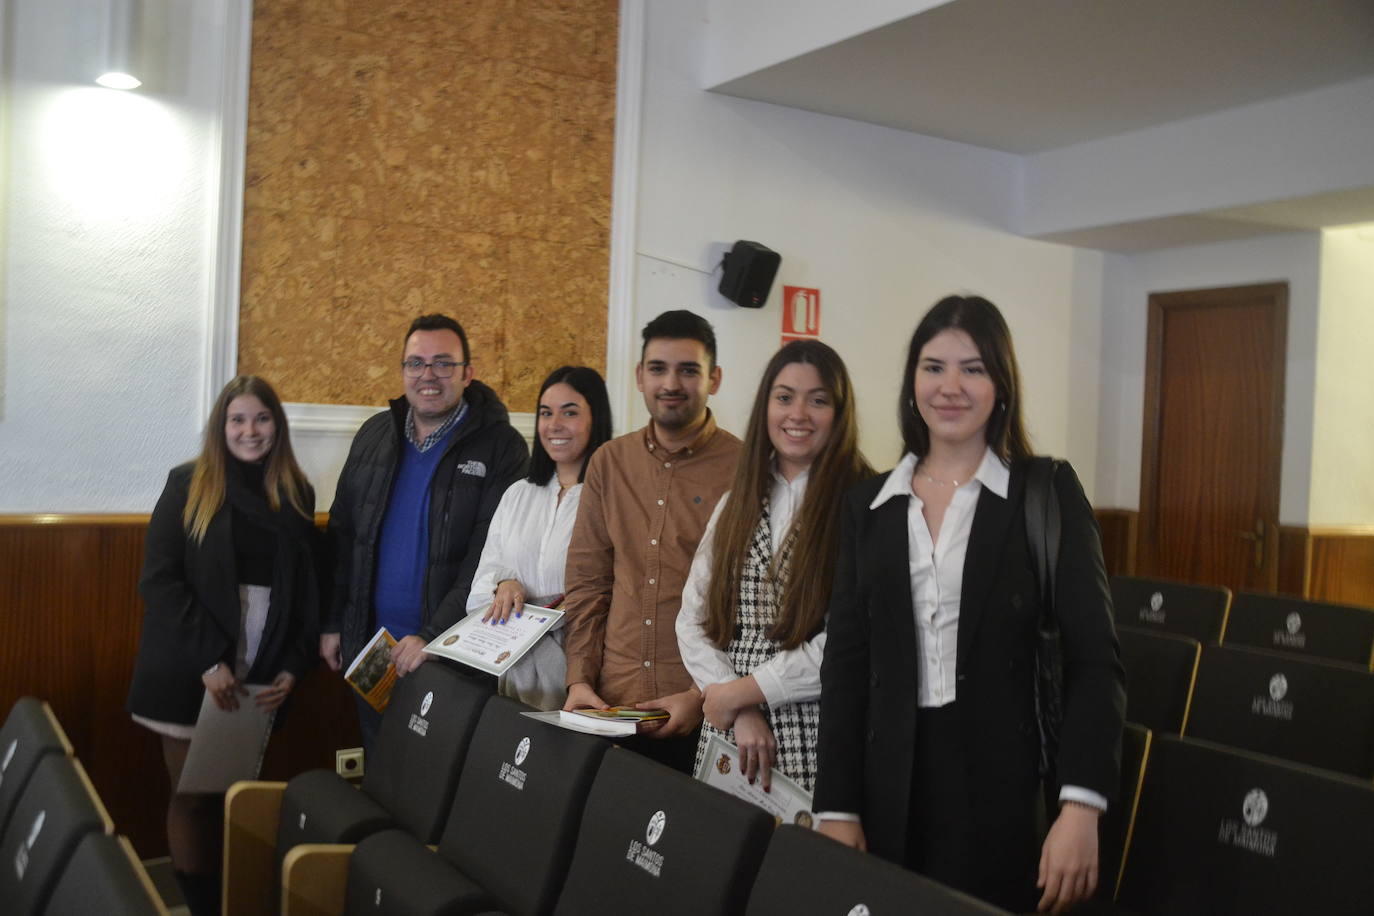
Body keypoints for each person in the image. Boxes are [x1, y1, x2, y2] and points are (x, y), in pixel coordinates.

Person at [814, 295, 1125, 914]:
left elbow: (1096, 663)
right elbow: (846, 668)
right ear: (911, 384)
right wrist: (836, 806)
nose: (950, 386)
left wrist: (1080, 806)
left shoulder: (1045, 493)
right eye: (933, 367)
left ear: (1001, 386)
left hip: (1004, 789)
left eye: (973, 368)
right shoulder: (868, 506)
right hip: (887, 789)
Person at [127, 375, 322, 915]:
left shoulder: (296, 493)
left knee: (235, 799)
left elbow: (308, 593)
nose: (250, 430)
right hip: (192, 664)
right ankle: (200, 907)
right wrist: (209, 660)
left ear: (277, 427)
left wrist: (292, 667)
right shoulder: (188, 483)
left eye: (262, 419)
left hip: (261, 666)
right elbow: (159, 580)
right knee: (192, 796)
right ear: (221, 426)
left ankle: (231, 900)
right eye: (238, 419)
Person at [323, 314, 529, 749]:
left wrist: (433, 637)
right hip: (372, 653)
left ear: (468, 373)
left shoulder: (503, 447)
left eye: (443, 363)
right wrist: (332, 624)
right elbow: (342, 536)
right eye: (416, 363)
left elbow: (487, 558)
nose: (428, 376)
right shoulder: (373, 436)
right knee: (381, 776)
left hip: (450, 658)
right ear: (402, 370)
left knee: (435, 791)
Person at [676, 340, 873, 791]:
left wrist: (746, 692)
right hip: (730, 734)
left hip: (821, 732)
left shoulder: (865, 503)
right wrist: (737, 706)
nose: (798, 414)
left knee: (806, 861)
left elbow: (856, 636)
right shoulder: (737, 501)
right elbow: (692, 618)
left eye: (818, 400)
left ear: (839, 413)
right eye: (784, 397)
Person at [562, 309, 742, 773]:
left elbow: (748, 602)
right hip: (609, 704)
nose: (671, 383)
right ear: (640, 376)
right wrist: (578, 679)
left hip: (704, 713)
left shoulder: (745, 468)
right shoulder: (608, 463)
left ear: (714, 378)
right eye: (658, 369)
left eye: (689, 370)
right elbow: (588, 581)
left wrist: (700, 695)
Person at [465, 366, 613, 710]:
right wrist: (503, 586)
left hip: (586, 673)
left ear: (597, 419)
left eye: (570, 413)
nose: (554, 425)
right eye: (546, 413)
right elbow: (476, 594)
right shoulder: (518, 494)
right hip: (514, 671)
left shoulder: (611, 498)